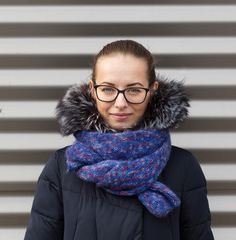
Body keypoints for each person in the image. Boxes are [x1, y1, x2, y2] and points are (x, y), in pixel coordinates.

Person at [24, 40, 214, 240]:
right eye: (108, 89)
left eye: (134, 90)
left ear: (152, 91)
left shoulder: (182, 166)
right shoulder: (62, 167)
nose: (120, 103)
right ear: (93, 90)